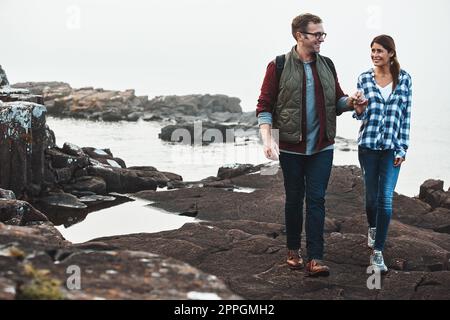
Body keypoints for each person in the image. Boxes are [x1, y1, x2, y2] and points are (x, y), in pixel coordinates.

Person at [256, 13, 362, 277]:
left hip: (322, 147)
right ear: (299, 35)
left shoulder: (327, 65)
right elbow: (264, 106)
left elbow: (337, 102)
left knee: (317, 200)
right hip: (291, 147)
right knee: (294, 198)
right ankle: (293, 250)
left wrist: (352, 103)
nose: (321, 39)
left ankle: (315, 258)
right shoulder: (278, 65)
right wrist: (268, 139)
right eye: (317, 34)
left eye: (322, 34)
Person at [353, 35, 412, 273]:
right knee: (370, 198)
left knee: (385, 200)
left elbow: (406, 115)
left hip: (391, 148)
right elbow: (360, 114)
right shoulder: (364, 78)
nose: (375, 55)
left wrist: (403, 147)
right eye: (373, 51)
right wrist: (357, 110)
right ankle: (372, 227)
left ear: (391, 53)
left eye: (379, 51)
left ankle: (377, 253)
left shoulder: (405, 79)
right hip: (367, 146)